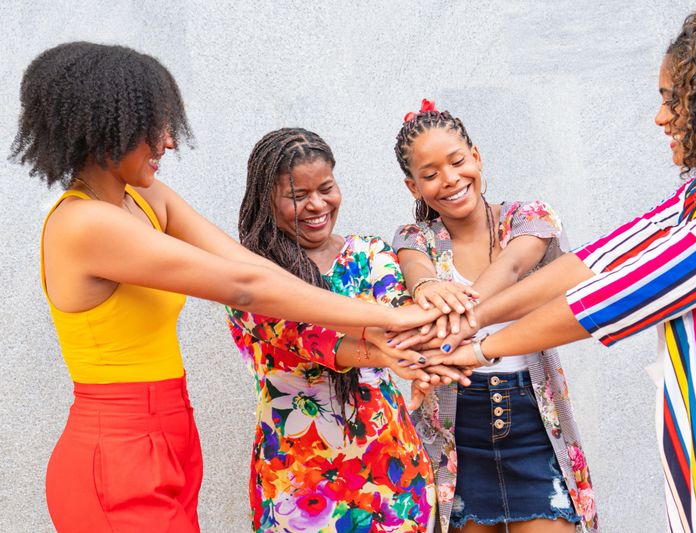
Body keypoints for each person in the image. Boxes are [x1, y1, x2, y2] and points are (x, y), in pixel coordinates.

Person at [11, 42, 439, 532]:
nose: (169, 142)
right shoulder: (84, 224)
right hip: (117, 444)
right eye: (155, 128)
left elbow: (251, 265)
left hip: (170, 431)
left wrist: (387, 327)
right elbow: (242, 287)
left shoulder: (146, 199)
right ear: (109, 126)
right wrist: (388, 317)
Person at [416, 5, 696, 531]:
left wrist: (475, 349)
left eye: (672, 101)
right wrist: (470, 319)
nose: (660, 118)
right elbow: (590, 263)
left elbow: (607, 300)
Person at [226, 127, 470, 532]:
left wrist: (429, 347)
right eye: (298, 196)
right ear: (265, 199)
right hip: (295, 477)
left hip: (389, 468)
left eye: (326, 188)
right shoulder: (249, 277)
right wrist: (385, 352)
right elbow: (307, 337)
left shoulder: (369, 253)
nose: (317, 205)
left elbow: (398, 317)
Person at [390, 100, 597, 532]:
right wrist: (425, 285)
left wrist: (464, 318)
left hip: (533, 424)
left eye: (458, 161)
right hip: (456, 430)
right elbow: (415, 269)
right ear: (414, 188)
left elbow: (514, 267)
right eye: (430, 175)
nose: (450, 180)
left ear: (477, 157)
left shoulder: (528, 218)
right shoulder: (415, 238)